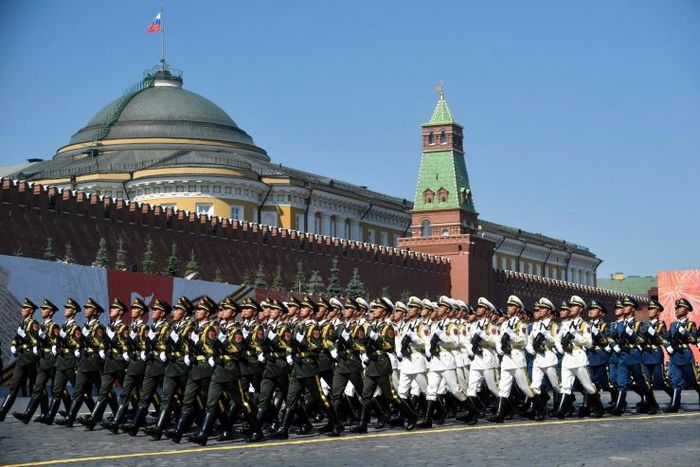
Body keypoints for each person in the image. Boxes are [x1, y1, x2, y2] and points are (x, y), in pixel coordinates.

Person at [188, 297, 262, 445]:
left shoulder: (236, 330)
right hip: (218, 370)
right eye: (221, 309)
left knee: (242, 402)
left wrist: (222, 347)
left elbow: (238, 349)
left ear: (233, 312)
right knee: (211, 402)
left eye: (225, 309)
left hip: (230, 370)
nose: (222, 311)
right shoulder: (218, 329)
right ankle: (203, 434)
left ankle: (257, 430)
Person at [271, 296, 344, 439]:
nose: (301, 310)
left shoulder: (313, 327)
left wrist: (300, 342)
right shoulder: (298, 326)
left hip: (309, 367)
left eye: (304, 308)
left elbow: (317, 346)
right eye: (301, 307)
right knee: (291, 398)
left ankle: (336, 423)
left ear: (310, 311)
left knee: (320, 398)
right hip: (297, 367)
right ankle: (284, 429)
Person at [349, 297, 417, 434]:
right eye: (374, 308)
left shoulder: (388, 327)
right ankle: (363, 424)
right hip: (372, 363)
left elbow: (389, 346)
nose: (374, 310)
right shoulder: (373, 326)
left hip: (382, 362)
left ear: (384, 311)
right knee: (366, 394)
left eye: (378, 308)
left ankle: (412, 416)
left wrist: (376, 338)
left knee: (390, 395)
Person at [121, 298, 172, 436]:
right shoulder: (152, 328)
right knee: (145, 397)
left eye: (156, 310)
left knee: (169, 398)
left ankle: (165, 424)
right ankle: (134, 426)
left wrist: (157, 351)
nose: (153, 312)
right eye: (153, 309)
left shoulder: (166, 328)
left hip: (162, 367)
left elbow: (166, 346)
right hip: (151, 366)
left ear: (162, 313)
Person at [145, 296, 194, 440]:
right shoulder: (173, 327)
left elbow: (183, 345)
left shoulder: (189, 327)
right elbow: (166, 345)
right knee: (166, 397)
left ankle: (191, 422)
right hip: (172, 366)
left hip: (184, 366)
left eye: (179, 309)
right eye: (175, 309)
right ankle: (159, 428)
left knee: (189, 398)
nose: (175, 312)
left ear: (184, 313)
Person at [79, 298, 128, 430]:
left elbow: (125, 346)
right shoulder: (108, 327)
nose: (111, 310)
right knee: (103, 391)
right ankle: (93, 419)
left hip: (120, 364)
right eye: (111, 308)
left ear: (120, 312)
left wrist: (110, 338)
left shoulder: (123, 327)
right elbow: (102, 344)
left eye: (114, 308)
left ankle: (134, 416)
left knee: (130, 393)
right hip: (109, 363)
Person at [56, 298, 106, 427]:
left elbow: (99, 343)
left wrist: (82, 338)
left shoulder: (98, 327)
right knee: (78, 392)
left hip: (94, 363)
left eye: (88, 308)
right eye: (85, 308)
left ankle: (112, 415)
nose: (85, 310)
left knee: (103, 391)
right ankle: (70, 419)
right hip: (84, 363)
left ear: (95, 312)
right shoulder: (85, 327)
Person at [12, 299, 59, 423]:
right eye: (42, 309)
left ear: (51, 312)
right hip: (43, 361)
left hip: (52, 361)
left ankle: (69, 414)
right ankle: (28, 415)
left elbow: (56, 341)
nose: (42, 311)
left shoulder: (53, 326)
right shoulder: (41, 326)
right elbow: (36, 341)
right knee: (38, 388)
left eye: (45, 309)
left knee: (59, 390)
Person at [39, 298, 84, 425]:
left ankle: (74, 416)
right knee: (56, 390)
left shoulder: (76, 328)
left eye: (68, 308)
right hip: (61, 362)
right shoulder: (63, 326)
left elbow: (78, 344)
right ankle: (50, 417)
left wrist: (64, 340)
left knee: (78, 390)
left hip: (70, 362)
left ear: (74, 311)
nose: (65, 309)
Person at [490, 295, 534, 423]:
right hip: (506, 358)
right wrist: (500, 348)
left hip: (517, 358)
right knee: (503, 387)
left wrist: (511, 335)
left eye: (511, 306)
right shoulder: (504, 324)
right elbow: (498, 340)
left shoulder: (522, 325)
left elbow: (524, 341)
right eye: (508, 306)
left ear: (518, 308)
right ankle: (500, 414)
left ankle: (539, 407)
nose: (508, 308)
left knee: (525, 387)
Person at [664, 298, 699, 412]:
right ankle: (674, 405)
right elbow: (666, 337)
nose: (677, 310)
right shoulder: (673, 324)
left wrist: (684, 332)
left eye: (680, 307)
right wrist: (667, 346)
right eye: (676, 308)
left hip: (685, 355)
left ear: (687, 310)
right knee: (675, 381)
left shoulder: (690, 324)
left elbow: (693, 339)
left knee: (693, 381)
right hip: (674, 356)